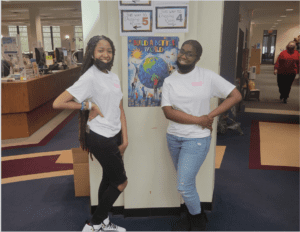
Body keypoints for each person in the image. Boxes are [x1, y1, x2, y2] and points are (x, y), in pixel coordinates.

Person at [161, 40, 242, 231]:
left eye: (190, 53)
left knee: (183, 185)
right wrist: (199, 119)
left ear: (197, 58)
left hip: (197, 139)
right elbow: (168, 112)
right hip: (173, 137)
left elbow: (235, 95)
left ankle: (197, 223)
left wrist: (210, 116)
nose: (184, 55)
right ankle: (195, 215)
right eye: (182, 51)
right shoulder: (169, 80)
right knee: (186, 183)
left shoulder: (207, 76)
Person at [53, 35, 128, 232]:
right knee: (121, 182)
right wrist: (88, 105)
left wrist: (125, 139)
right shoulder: (90, 76)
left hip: (114, 135)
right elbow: (58, 102)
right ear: (92, 54)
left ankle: (102, 223)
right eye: (101, 50)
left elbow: (120, 108)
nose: (106, 54)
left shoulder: (113, 77)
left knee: (108, 178)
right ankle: (94, 225)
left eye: (109, 51)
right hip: (99, 136)